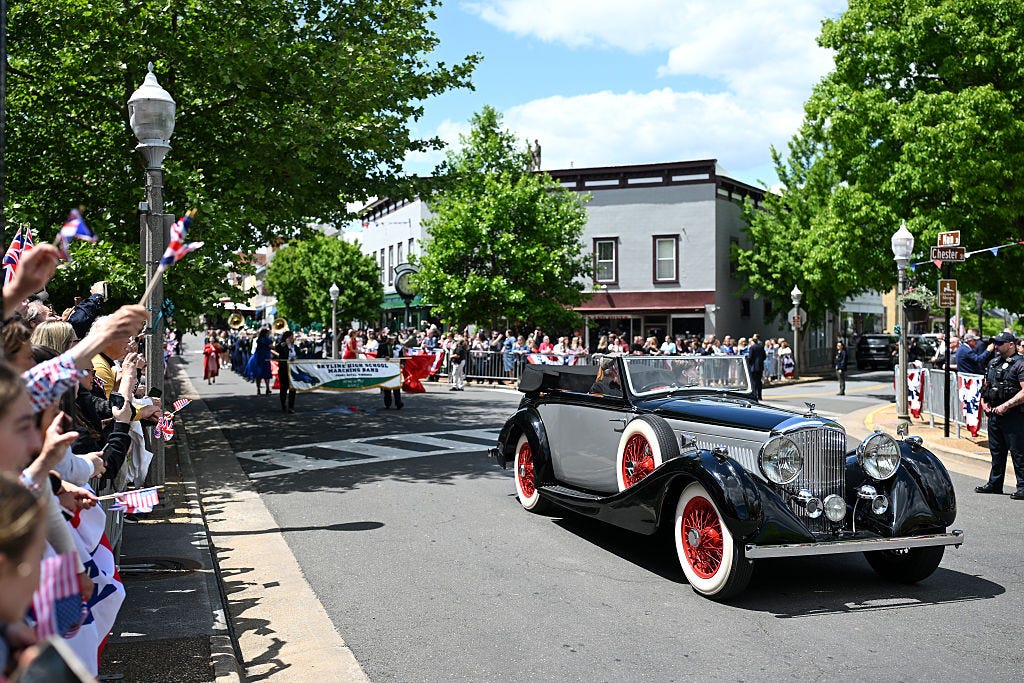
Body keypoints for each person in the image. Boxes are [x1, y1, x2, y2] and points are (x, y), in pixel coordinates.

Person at [975, 332, 1024, 499]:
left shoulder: (1020, 363)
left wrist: (1006, 405)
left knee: (1018, 453)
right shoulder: (993, 363)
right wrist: (984, 402)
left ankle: (1022, 486)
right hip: (995, 414)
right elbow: (986, 386)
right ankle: (995, 484)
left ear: (1011, 345)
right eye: (995, 343)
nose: (996, 346)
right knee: (996, 451)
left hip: (1014, 415)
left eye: (1000, 343)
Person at [273, 330, 297, 413]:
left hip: (293, 370)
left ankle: (291, 406)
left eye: (292, 337)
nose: (291, 339)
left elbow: (300, 354)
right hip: (284, 369)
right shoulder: (282, 345)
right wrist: (285, 344)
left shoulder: (295, 346)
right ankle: (283, 404)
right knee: (284, 387)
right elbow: (277, 349)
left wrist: (296, 357)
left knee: (293, 388)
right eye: (290, 337)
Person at [377, 334, 404, 409]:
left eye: (393, 339)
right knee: (387, 387)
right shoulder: (382, 346)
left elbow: (402, 357)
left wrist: (402, 363)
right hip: (386, 368)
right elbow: (378, 357)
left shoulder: (398, 347)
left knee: (396, 386)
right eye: (390, 339)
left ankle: (398, 403)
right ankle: (387, 403)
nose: (392, 340)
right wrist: (384, 357)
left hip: (395, 368)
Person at [245, 328, 273, 394]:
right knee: (267, 374)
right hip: (265, 357)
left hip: (258, 357)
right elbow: (271, 347)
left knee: (258, 374)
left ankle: (258, 389)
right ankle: (267, 388)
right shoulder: (266, 340)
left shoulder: (259, 339)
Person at [747, 334, 766, 400]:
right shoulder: (761, 347)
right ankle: (760, 395)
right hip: (760, 366)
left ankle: (755, 394)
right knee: (759, 381)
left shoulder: (752, 348)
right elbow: (764, 356)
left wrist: (749, 363)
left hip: (753, 367)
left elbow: (750, 357)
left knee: (754, 381)